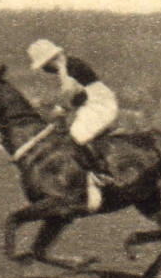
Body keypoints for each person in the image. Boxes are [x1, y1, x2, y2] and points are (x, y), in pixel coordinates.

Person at [28, 39, 117, 185]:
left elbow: (71, 93)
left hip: (100, 103)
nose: (46, 68)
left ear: (52, 59)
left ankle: (102, 173)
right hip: (90, 102)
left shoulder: (71, 66)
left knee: (77, 135)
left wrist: (61, 108)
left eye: (46, 64)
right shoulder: (67, 66)